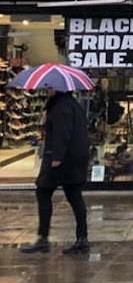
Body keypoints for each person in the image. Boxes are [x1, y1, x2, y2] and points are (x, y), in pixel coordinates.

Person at [20, 89, 90, 255]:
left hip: (61, 159)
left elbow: (62, 133)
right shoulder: (71, 104)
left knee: (43, 191)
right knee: (74, 196)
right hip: (72, 159)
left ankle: (44, 239)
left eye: (50, 86)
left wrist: (57, 157)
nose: (46, 89)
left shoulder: (61, 107)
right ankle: (82, 238)